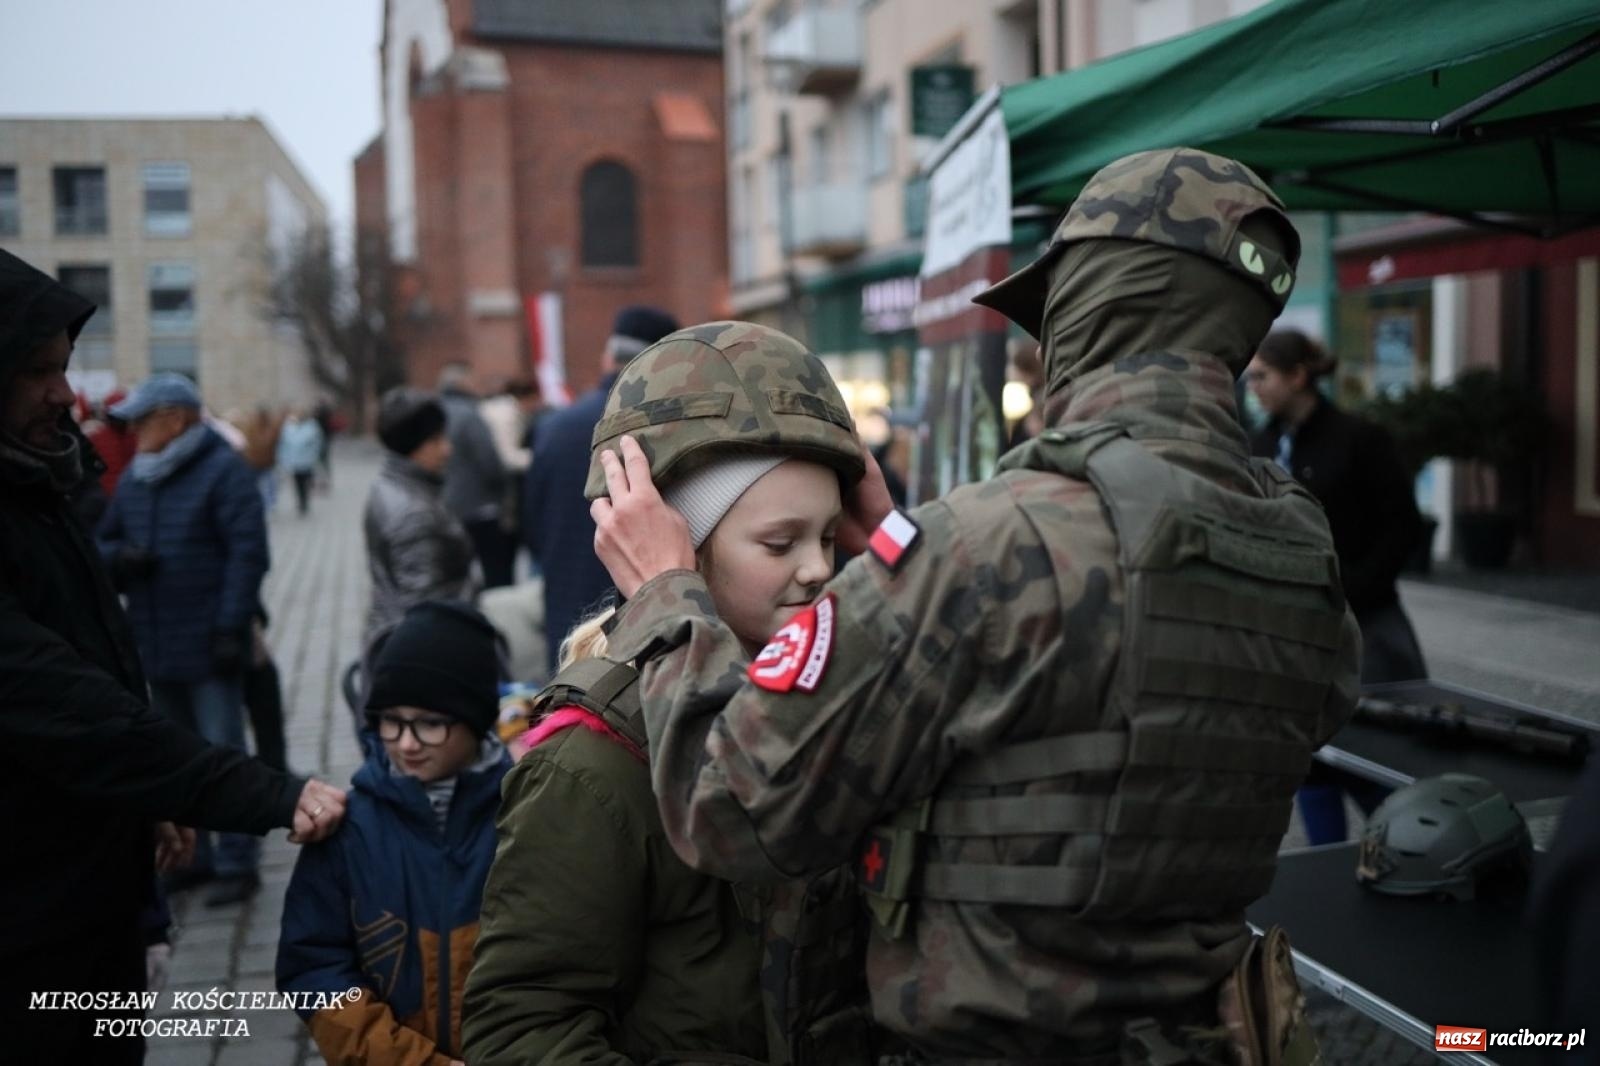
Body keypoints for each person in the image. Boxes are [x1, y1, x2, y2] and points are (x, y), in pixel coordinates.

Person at [588, 150, 1362, 1064]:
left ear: (1088, 303)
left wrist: (671, 598)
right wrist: (905, 557)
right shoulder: (1297, 551)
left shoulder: (985, 547)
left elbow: (729, 810)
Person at [464, 322, 878, 1066]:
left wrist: (895, 543)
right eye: (781, 544)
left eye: (829, 537)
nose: (819, 569)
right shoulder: (593, 764)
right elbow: (522, 1029)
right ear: (678, 548)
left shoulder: (840, 687)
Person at [0, 246, 346, 1064]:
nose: (65, 394)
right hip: (27, 912)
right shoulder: (96, 478)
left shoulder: (41, 479)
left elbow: (236, 557)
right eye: (37, 373)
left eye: (65, 369)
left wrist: (144, 798)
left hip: (96, 853)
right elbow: (62, 705)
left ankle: (230, 863)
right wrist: (263, 792)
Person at [278, 600, 511, 1066]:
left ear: (477, 720)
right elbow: (315, 968)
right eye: (392, 721)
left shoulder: (522, 819)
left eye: (430, 723)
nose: (406, 743)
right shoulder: (350, 830)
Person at [99, 372, 275, 907]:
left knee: (222, 752)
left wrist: (229, 627)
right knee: (174, 757)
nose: (133, 432)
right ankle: (194, 859)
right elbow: (100, 543)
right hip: (155, 643)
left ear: (175, 419)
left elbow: (248, 555)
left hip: (209, 643)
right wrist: (120, 561)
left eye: (142, 421)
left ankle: (237, 861)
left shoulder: (224, 472)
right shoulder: (137, 479)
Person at [1246, 329, 1425, 844]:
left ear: (1298, 375)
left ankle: (1408, 850)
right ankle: (1329, 865)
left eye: (1262, 375)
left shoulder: (1359, 439)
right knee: (1310, 759)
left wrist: (1353, 591)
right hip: (1290, 632)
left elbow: (1401, 527)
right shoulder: (1257, 444)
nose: (1252, 387)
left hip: (1364, 623)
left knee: (1371, 756)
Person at [523, 305, 679, 667]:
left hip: (568, 624)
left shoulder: (554, 429)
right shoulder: (671, 432)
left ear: (608, 356)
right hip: (647, 624)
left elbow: (530, 529)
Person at [365, 387, 480, 639]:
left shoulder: (390, 484)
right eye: (436, 440)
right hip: (437, 648)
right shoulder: (414, 515)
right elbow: (427, 618)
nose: (447, 449)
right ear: (411, 443)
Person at [436, 361, 513, 589]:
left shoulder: (437, 412)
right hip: (481, 509)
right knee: (496, 574)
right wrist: (503, 492)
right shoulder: (470, 415)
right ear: (462, 383)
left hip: (447, 508)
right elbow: (489, 462)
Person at [277, 408, 325, 516]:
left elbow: (317, 444)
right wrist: (284, 458)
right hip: (295, 461)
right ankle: (301, 501)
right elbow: (284, 445)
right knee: (297, 483)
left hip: (307, 461)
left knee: (305, 482)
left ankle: (305, 500)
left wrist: (314, 456)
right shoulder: (289, 428)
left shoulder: (312, 428)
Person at [240, 405, 287, 514]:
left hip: (266, 461)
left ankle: (268, 503)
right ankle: (262, 503)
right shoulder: (251, 426)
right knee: (259, 484)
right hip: (254, 461)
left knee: (269, 484)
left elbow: (274, 442)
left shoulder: (271, 427)